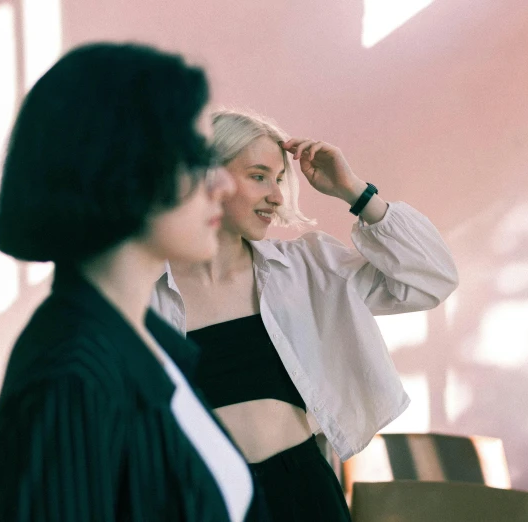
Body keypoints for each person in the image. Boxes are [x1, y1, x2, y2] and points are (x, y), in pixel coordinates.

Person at [0, 45, 268, 522]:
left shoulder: (150, 340)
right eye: (198, 157)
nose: (223, 185)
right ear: (122, 164)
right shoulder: (71, 376)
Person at [151, 109, 460, 521]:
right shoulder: (141, 293)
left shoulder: (309, 268)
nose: (277, 196)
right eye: (259, 176)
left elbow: (431, 279)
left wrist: (355, 192)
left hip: (300, 493)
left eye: (279, 179)